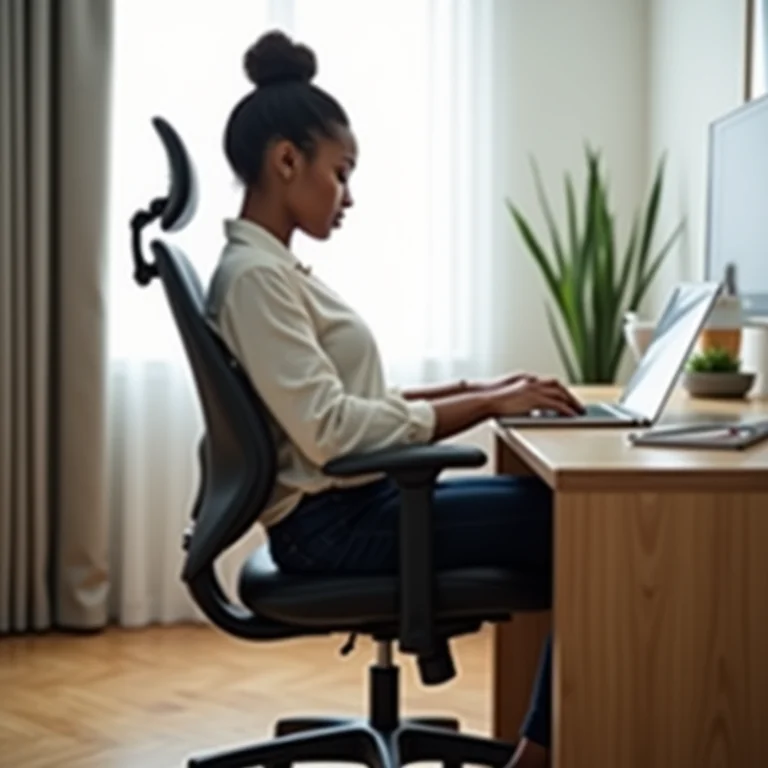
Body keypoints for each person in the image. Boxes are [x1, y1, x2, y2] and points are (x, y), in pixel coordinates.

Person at [205, 29, 583, 768]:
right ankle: (537, 755)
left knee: (574, 516)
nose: (349, 195)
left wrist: (480, 390)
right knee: (590, 531)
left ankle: (541, 744)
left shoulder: (271, 271)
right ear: (288, 161)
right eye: (341, 173)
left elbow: (353, 398)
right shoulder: (256, 279)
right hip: (336, 525)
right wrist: (484, 408)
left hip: (351, 508)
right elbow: (333, 431)